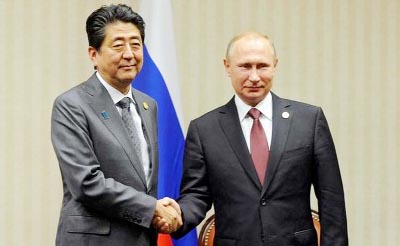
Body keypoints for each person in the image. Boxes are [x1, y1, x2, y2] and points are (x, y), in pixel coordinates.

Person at [170, 32, 348, 245]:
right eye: (245, 66)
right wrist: (175, 217)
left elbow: (331, 198)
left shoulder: (309, 120)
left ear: (275, 65)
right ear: (227, 66)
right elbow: (197, 195)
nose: (254, 77)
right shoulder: (204, 129)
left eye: (262, 66)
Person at [51, 4, 181, 246]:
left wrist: (158, 212)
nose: (130, 54)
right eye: (118, 45)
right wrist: (152, 208)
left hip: (141, 238)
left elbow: (143, 179)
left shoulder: (148, 104)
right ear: (93, 53)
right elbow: (87, 183)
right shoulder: (71, 105)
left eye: (135, 44)